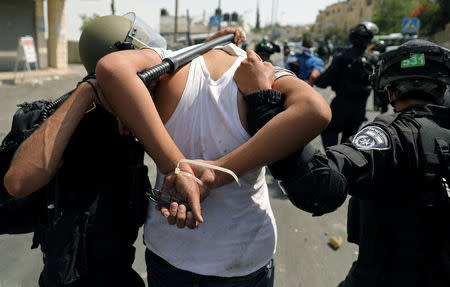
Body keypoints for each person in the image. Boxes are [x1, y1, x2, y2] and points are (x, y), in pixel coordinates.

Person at [2, 13, 247, 287]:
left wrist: (210, 46)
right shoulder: (75, 115)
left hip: (119, 273)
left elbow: (170, 72)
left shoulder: (135, 109)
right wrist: (87, 90)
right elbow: (17, 182)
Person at [93, 23, 331, 286]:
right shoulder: (263, 75)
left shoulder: (168, 68)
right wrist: (214, 172)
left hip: (171, 251)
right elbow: (316, 110)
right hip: (244, 256)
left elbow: (112, 68)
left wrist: (177, 168)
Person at [282, 39, 450, 286]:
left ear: (390, 92)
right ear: (443, 90)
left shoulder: (390, 134)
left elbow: (316, 185)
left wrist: (270, 117)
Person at [316, 22, 379, 148]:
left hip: (341, 104)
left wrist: (316, 78)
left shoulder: (341, 57)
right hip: (360, 108)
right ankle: (342, 163)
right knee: (349, 141)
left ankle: (332, 160)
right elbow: (379, 84)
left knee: (329, 131)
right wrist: (381, 104)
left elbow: (324, 81)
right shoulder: (373, 59)